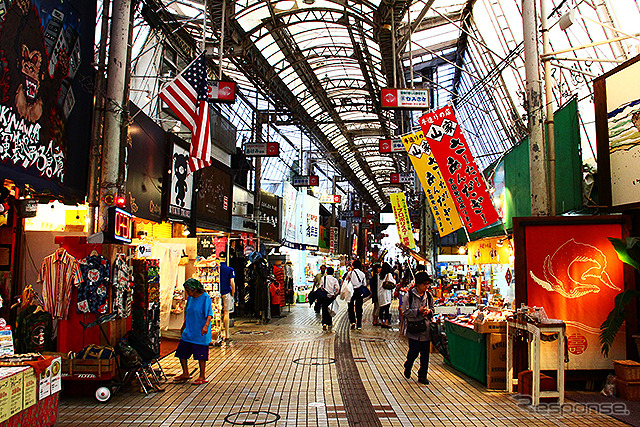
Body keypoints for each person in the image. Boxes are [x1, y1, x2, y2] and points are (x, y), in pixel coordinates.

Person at [174, 278, 213, 385]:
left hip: (200, 331)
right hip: (189, 330)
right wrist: (184, 325)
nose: (187, 293)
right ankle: (185, 372)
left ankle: (202, 375)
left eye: (188, 290)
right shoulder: (190, 298)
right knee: (181, 352)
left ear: (194, 289)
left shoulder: (205, 298)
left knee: (201, 355)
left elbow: (209, 314)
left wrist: (206, 326)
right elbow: (188, 312)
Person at [401, 271, 435, 385]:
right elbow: (405, 311)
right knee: (414, 351)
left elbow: (433, 311)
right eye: (424, 284)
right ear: (418, 284)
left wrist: (429, 311)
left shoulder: (429, 296)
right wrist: (417, 312)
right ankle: (408, 364)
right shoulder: (409, 295)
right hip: (414, 329)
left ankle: (422, 375)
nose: (426, 286)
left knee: (425, 354)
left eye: (427, 284)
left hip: (425, 329)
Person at [217, 251, 235, 345]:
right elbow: (232, 283)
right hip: (226, 293)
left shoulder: (216, 269)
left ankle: (218, 332)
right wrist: (233, 292)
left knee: (218, 313)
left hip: (216, 293)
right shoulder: (230, 269)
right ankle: (227, 334)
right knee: (226, 312)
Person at [346, 260, 367, 330]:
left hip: (351, 291)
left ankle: (352, 322)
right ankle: (359, 324)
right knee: (359, 307)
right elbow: (365, 284)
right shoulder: (362, 274)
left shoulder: (350, 273)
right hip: (359, 291)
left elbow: (346, 280)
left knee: (350, 307)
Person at [320, 266, 340, 331]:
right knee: (330, 309)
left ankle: (324, 323)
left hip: (324, 296)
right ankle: (329, 323)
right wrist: (335, 294)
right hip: (331, 296)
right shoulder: (334, 280)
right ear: (333, 273)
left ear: (326, 272)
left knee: (324, 309)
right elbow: (337, 288)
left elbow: (321, 286)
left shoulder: (323, 278)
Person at [378, 262, 395, 328]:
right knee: (387, 309)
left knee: (381, 309)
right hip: (386, 294)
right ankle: (386, 322)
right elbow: (393, 283)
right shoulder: (389, 275)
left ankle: (382, 321)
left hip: (380, 294)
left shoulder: (379, 275)